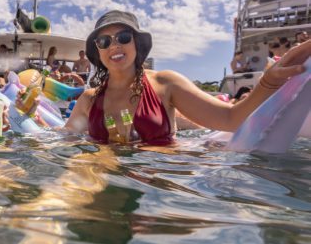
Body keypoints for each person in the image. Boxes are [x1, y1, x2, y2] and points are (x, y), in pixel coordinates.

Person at [60, 10, 311, 145]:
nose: (114, 45)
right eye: (104, 41)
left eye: (123, 37)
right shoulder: (89, 100)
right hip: (103, 175)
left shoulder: (165, 83)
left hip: (161, 183)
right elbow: (65, 141)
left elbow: (229, 119)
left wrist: (268, 83)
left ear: (136, 43)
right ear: (98, 52)